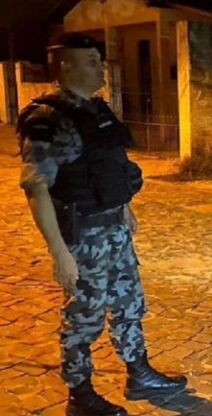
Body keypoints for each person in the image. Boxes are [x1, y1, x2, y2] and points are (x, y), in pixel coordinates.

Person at [17, 33, 186, 416]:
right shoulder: (48, 120)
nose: (101, 69)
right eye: (91, 61)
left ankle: (138, 372)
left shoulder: (97, 111)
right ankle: (81, 396)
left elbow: (109, 164)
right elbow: (35, 187)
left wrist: (123, 206)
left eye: (99, 60)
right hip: (83, 235)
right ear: (66, 67)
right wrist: (60, 253)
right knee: (84, 315)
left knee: (129, 301)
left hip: (114, 226)